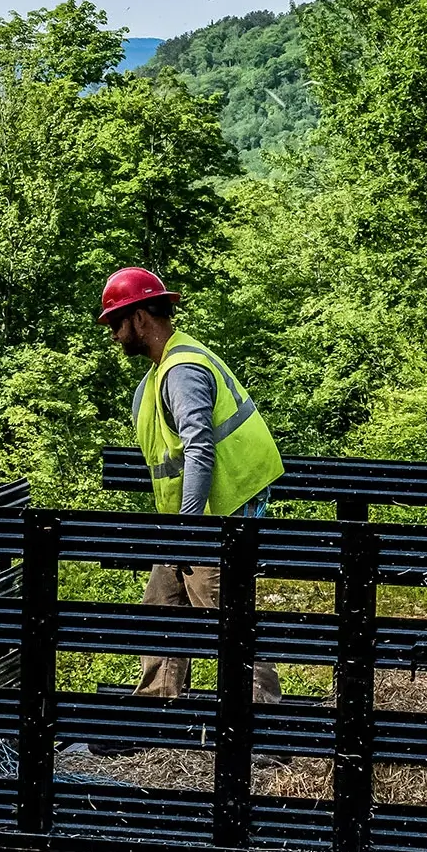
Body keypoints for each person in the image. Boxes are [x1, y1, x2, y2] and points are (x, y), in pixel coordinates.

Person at [99, 267, 285, 703]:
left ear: (141, 318)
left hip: (218, 518)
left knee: (228, 618)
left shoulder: (181, 371)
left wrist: (190, 530)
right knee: (162, 608)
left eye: (116, 323)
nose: (112, 334)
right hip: (193, 520)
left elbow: (200, 448)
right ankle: (156, 709)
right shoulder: (159, 375)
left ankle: (268, 728)